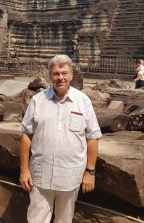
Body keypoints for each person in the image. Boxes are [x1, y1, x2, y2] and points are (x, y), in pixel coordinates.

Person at [19, 54, 102, 223]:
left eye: (64, 73)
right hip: (41, 174)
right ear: (50, 76)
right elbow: (26, 136)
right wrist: (24, 170)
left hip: (70, 174)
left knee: (64, 219)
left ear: (71, 75)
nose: (60, 78)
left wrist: (90, 172)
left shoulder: (83, 101)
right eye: (56, 74)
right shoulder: (38, 100)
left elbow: (92, 137)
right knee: (36, 218)